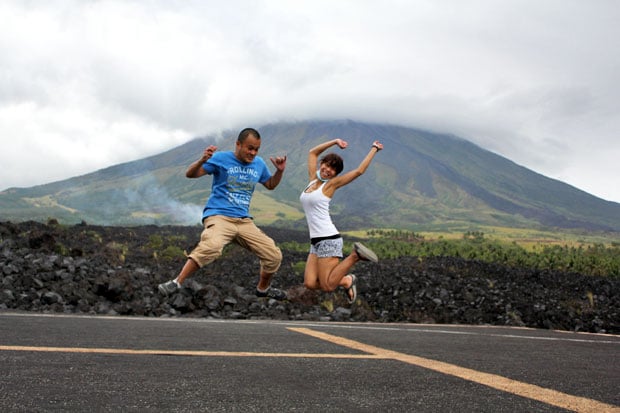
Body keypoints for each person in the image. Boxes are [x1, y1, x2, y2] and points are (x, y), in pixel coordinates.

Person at [158, 127, 288, 300]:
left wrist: (279, 171)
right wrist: (202, 160)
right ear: (238, 144)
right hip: (219, 216)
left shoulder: (259, 164)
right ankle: (176, 282)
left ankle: (263, 289)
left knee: (273, 255)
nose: (253, 153)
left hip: (243, 221)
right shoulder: (220, 158)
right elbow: (191, 174)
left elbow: (270, 184)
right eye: (249, 148)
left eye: (256, 149)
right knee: (211, 246)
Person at [299, 138, 383, 303]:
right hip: (315, 241)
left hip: (328, 239)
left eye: (333, 169)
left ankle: (353, 258)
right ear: (321, 163)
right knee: (309, 283)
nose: (328, 170)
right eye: (327, 165)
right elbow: (312, 152)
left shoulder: (330, 185)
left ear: (336, 174)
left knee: (328, 286)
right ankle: (345, 280)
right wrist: (335, 142)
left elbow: (358, 171)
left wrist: (374, 149)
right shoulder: (312, 180)